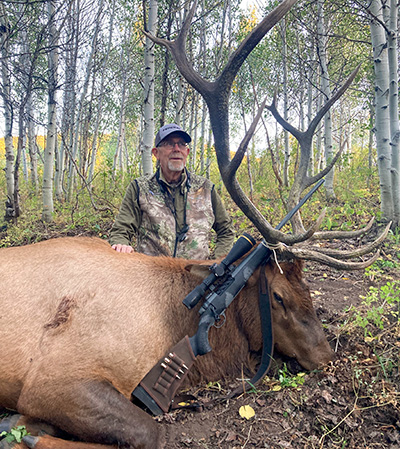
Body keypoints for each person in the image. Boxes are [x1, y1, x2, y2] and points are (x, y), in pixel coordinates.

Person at [109, 123, 235, 259]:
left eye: (181, 144)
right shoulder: (139, 188)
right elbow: (121, 230)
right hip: (153, 275)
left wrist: (217, 262)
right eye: (169, 144)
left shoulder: (205, 189)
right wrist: (121, 244)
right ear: (156, 153)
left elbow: (226, 231)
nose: (176, 149)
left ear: (186, 153)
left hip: (196, 276)